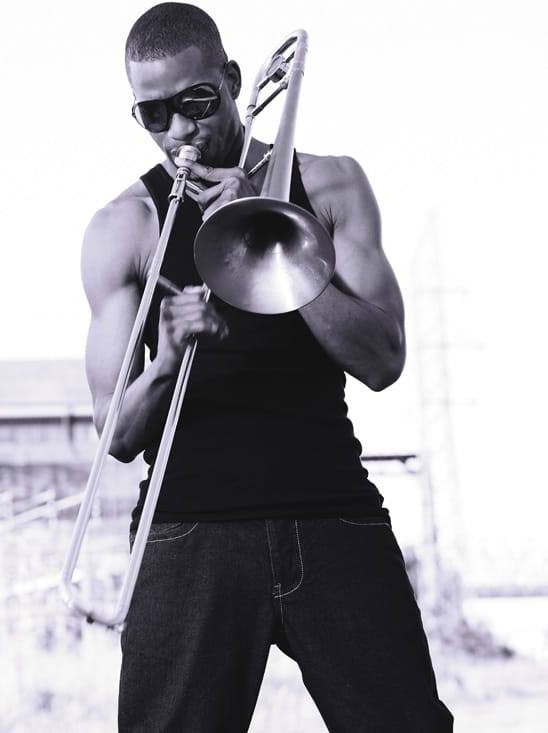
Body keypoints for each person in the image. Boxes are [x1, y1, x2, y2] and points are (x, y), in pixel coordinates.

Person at [80, 3, 453, 731]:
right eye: (154, 115)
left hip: (330, 510)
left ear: (231, 79)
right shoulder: (124, 227)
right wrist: (165, 362)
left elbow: (384, 359)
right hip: (190, 530)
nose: (179, 132)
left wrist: (277, 238)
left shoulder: (332, 185)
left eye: (195, 103)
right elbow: (113, 438)